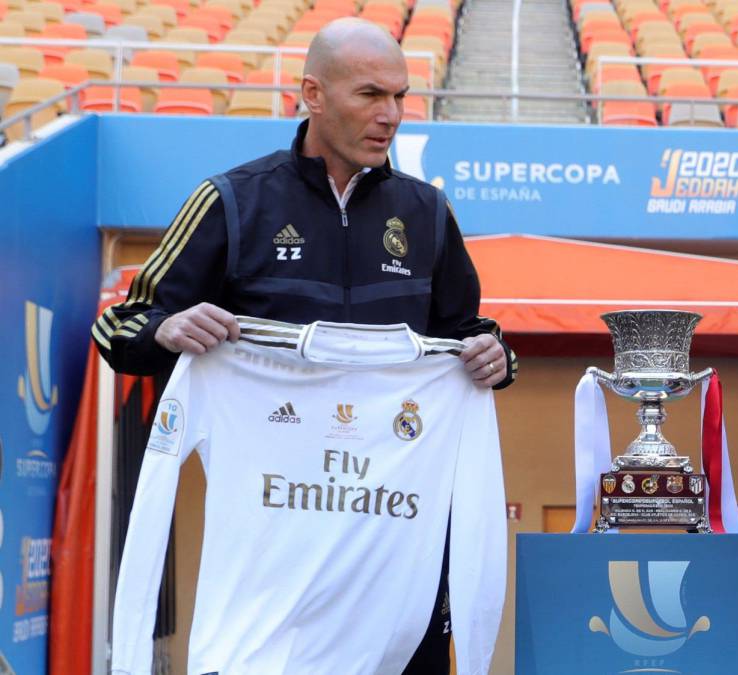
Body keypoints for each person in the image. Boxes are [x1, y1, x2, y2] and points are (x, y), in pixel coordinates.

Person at [90, 18, 512, 674]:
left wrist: (493, 354)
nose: (391, 115)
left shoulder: (427, 213)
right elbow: (120, 326)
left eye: (400, 96)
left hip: (394, 550)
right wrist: (165, 329)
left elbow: (464, 333)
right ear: (313, 93)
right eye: (370, 94)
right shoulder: (231, 202)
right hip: (274, 555)